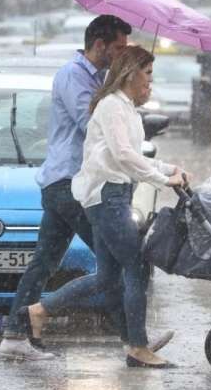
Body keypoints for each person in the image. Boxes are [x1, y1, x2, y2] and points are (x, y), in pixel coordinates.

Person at [23, 46, 187, 369]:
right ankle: (138, 346)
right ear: (130, 74)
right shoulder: (111, 107)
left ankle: (41, 309)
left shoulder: (127, 109)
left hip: (114, 196)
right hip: (107, 197)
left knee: (106, 278)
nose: (151, 83)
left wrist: (169, 169)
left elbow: (133, 155)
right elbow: (123, 156)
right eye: (148, 74)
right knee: (136, 266)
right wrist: (162, 181)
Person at [0, 15, 133, 360]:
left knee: (44, 262)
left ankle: (16, 333)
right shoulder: (74, 75)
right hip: (71, 184)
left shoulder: (101, 77)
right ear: (99, 45)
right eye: (118, 48)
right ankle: (134, 338)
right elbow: (91, 124)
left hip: (68, 183)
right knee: (117, 258)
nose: (121, 55)